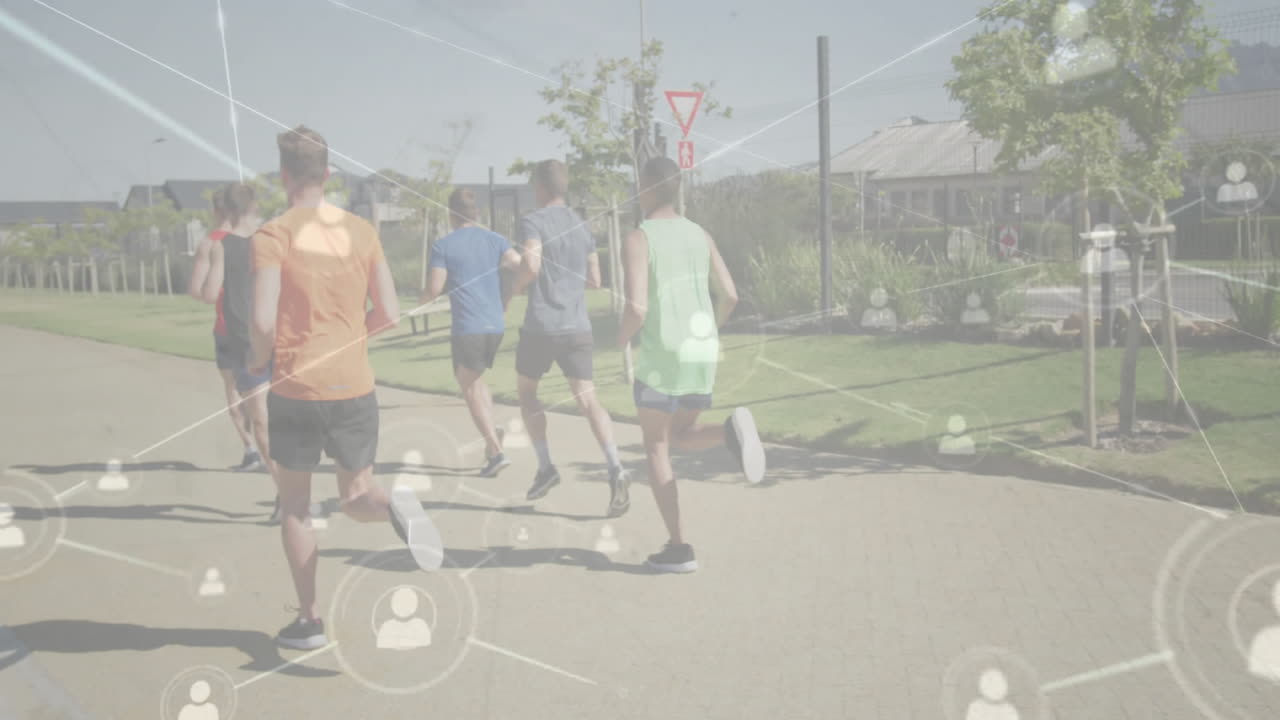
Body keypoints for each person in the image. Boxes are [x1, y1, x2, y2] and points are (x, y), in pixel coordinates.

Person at [248, 125, 435, 651]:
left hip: (295, 388)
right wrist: (351, 338)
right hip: (354, 384)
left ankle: (309, 621)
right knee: (356, 495)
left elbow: (262, 322)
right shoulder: (362, 231)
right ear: (328, 174)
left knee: (297, 507)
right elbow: (390, 314)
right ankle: (394, 506)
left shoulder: (272, 235)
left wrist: (258, 358)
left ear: (283, 176)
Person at [618, 156, 766, 574]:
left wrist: (620, 337)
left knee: (657, 445)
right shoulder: (701, 234)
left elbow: (637, 306)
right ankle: (729, 433)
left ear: (646, 188)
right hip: (701, 354)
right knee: (682, 434)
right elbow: (731, 295)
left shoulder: (639, 237)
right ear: (677, 189)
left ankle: (679, 548)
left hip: (662, 357)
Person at [512, 159, 630, 517]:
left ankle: (546, 467)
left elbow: (530, 264)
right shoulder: (582, 226)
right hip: (577, 327)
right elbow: (595, 279)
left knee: (527, 392)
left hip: (541, 327)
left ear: (540, 187)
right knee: (589, 401)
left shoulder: (533, 221)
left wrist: (516, 283)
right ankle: (616, 468)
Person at [421, 188, 520, 477]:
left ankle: (496, 451)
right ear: (476, 214)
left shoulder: (443, 246)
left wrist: (420, 302)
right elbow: (518, 264)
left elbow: (435, 288)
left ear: (451, 214)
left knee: (468, 386)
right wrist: (509, 295)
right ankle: (492, 440)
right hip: (495, 325)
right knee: (475, 379)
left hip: (469, 326)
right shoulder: (495, 239)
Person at [203, 185, 276, 491]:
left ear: (225, 212)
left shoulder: (221, 246)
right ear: (255, 207)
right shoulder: (274, 239)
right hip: (278, 334)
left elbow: (208, 294)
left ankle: (285, 493)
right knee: (285, 415)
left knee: (262, 422)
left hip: (246, 342)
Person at [189, 190, 260, 471]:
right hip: (260, 326)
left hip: (227, 328)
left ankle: (251, 448)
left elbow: (199, 291)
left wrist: (223, 291)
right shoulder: (260, 238)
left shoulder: (210, 244)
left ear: (218, 212)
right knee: (265, 391)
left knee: (233, 390)